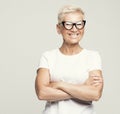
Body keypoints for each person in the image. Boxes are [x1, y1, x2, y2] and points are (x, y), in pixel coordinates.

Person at [35, 5, 104, 114]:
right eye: (68, 24)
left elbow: (95, 94)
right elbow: (42, 93)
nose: (74, 28)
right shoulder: (48, 57)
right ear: (58, 28)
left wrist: (59, 84)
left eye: (79, 24)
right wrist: (82, 88)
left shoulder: (93, 57)